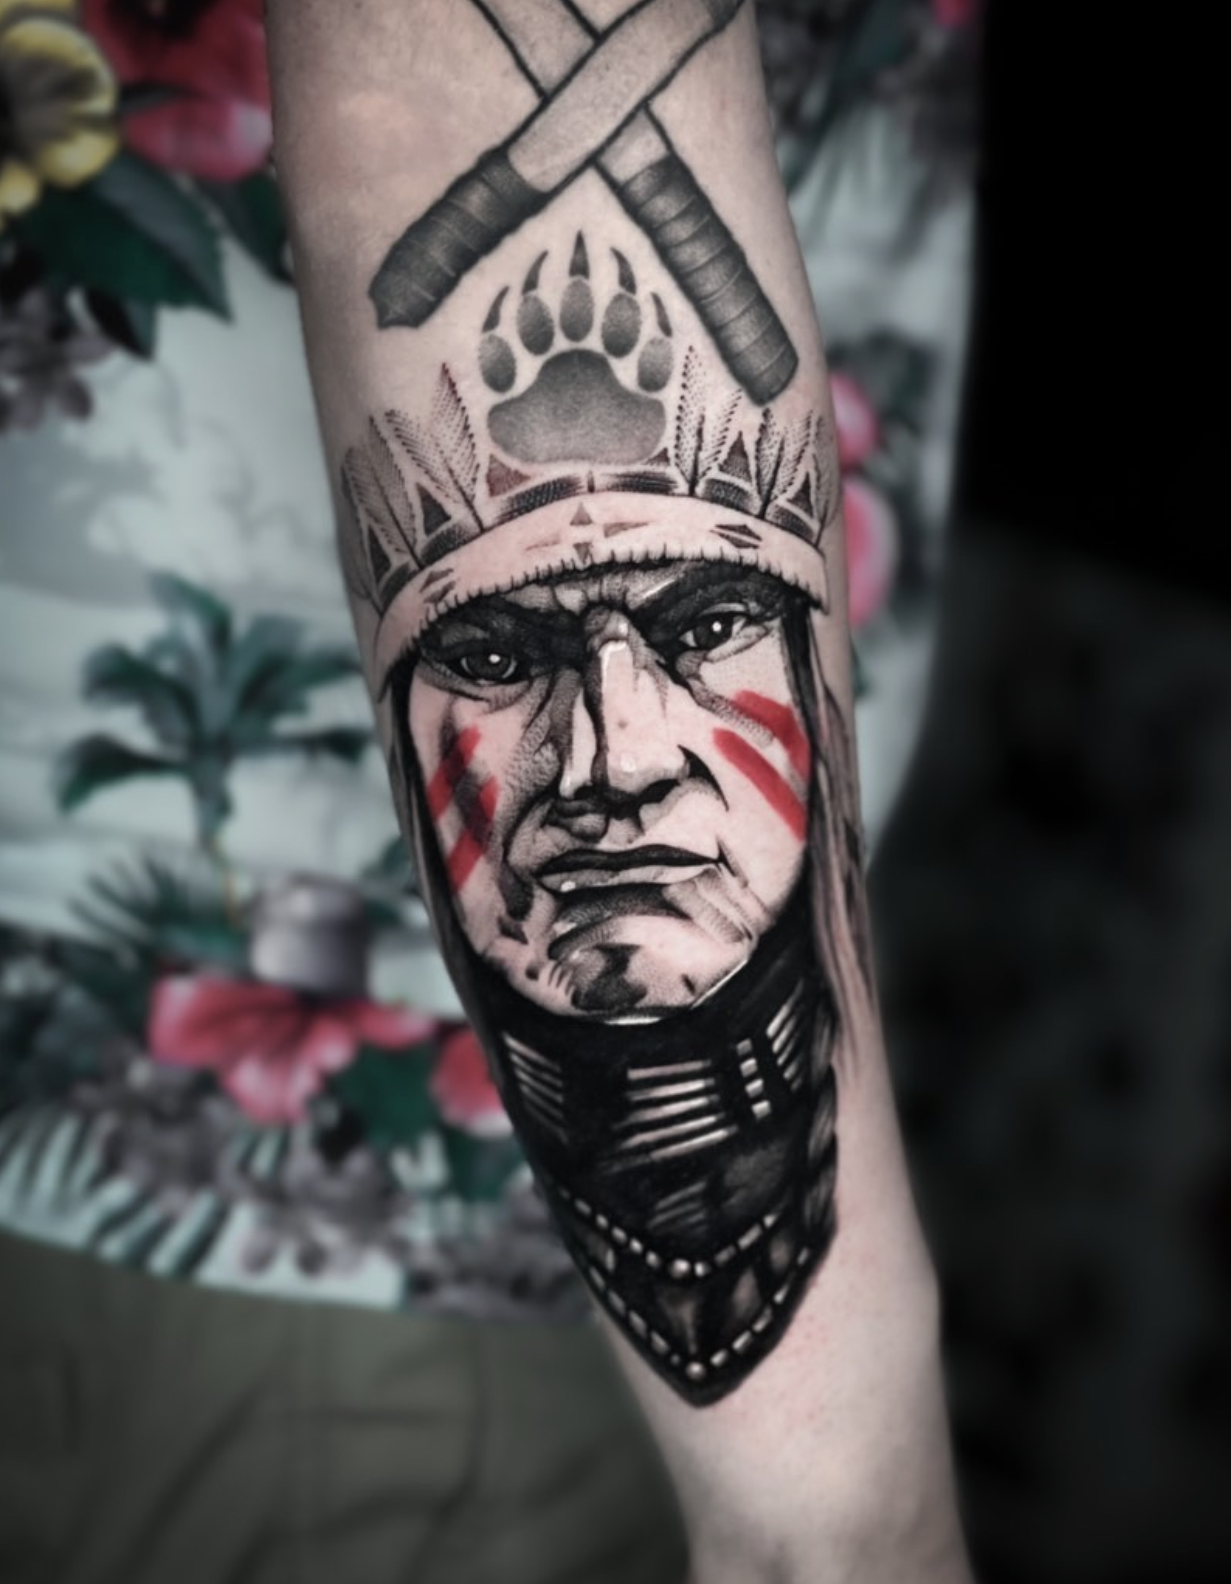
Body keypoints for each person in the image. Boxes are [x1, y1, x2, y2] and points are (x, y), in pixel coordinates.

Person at [267, 0, 973, 1577]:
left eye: (707, 629)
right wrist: (848, 1517)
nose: (613, 758)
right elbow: (410, 110)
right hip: (312, 1271)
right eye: (497, 654)